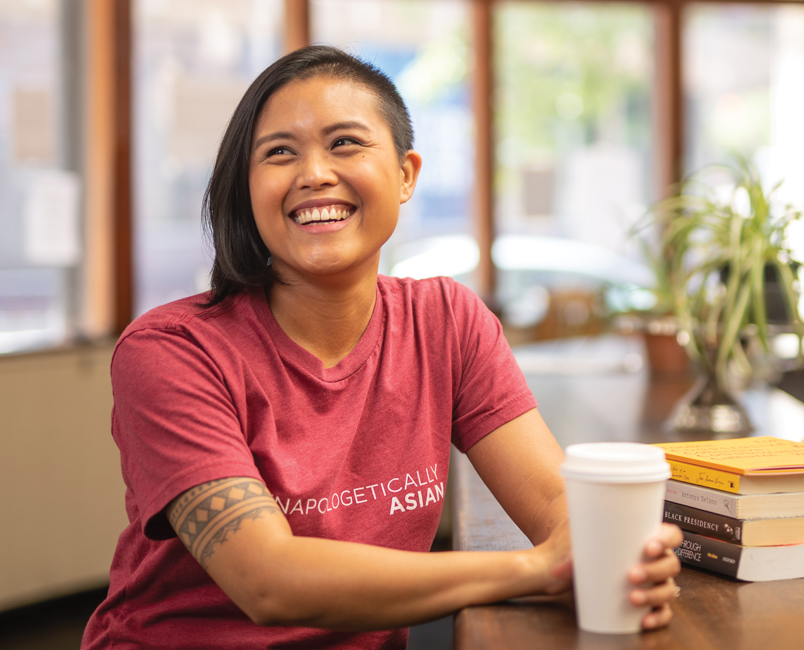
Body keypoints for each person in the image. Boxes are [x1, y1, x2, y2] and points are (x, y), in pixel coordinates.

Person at [82, 45, 682, 649]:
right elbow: (267, 581)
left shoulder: (446, 320)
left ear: (405, 175)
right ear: (248, 187)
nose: (313, 172)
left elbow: (553, 498)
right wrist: (539, 568)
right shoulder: (171, 352)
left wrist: (612, 555)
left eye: (345, 143)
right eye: (279, 152)